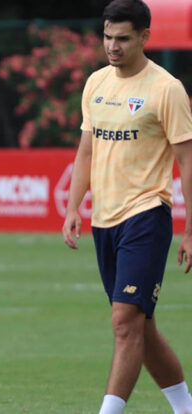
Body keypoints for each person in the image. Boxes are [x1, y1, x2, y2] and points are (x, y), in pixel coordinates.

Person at [62, 1, 192, 413]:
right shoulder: (96, 83)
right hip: (105, 221)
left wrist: (191, 229)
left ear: (143, 38)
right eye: (107, 37)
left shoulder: (166, 89)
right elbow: (86, 152)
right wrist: (71, 209)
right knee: (141, 327)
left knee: (123, 322)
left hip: (147, 215)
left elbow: (187, 161)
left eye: (122, 38)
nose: (112, 46)